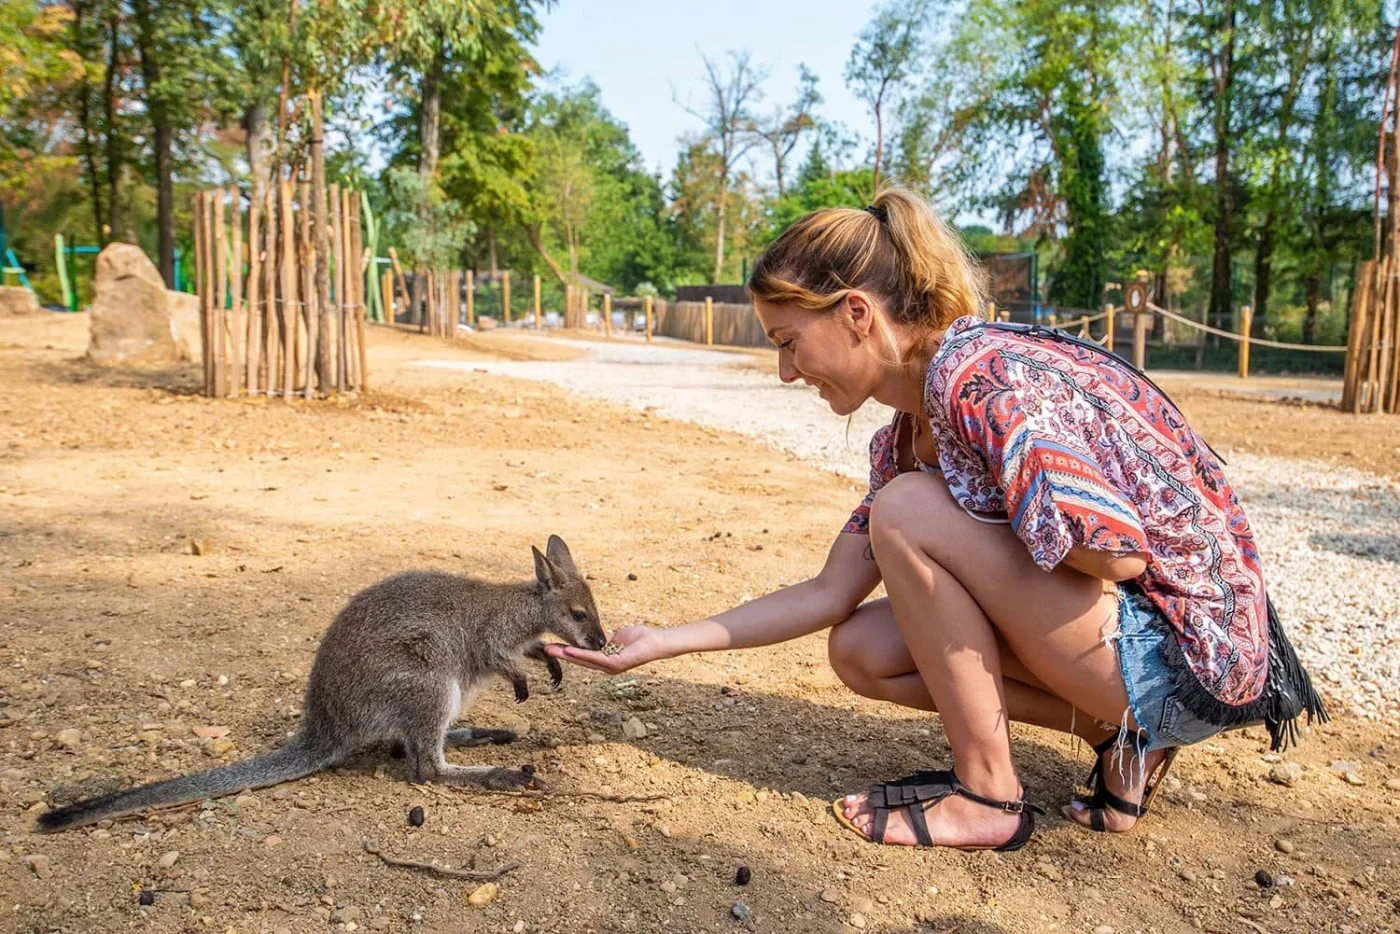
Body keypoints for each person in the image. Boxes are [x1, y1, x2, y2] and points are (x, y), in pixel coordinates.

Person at [546, 188, 1324, 852]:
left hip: (1190, 658)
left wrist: (1007, 512)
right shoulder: (905, 438)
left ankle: (987, 796)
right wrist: (663, 642)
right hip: (1140, 665)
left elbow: (1120, 555)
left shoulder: (977, 381)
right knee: (862, 650)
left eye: (789, 343)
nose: (785, 372)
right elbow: (829, 593)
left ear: (857, 313)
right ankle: (1116, 738)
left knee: (911, 511)